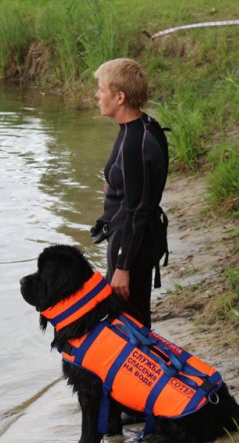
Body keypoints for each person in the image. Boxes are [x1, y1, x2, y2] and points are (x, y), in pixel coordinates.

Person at [91, 58, 168, 328]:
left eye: (101, 89)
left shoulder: (135, 142)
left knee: (130, 328)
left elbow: (137, 210)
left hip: (131, 245)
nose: (97, 95)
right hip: (132, 239)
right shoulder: (141, 127)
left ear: (120, 97)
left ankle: (154, 370)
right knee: (131, 325)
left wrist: (123, 267)